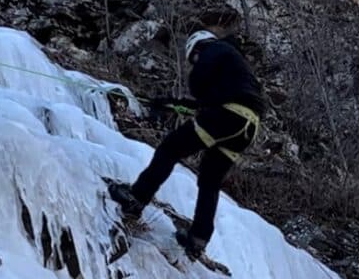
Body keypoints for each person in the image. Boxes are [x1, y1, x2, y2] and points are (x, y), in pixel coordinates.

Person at [108, 30, 264, 258]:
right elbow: (208, 101)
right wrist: (170, 103)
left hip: (228, 114)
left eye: (193, 58)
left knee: (170, 148)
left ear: (200, 47)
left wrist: (196, 85)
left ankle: (136, 198)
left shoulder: (217, 48)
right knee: (210, 179)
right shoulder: (235, 70)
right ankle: (198, 238)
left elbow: (200, 86)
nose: (194, 63)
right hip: (248, 126)